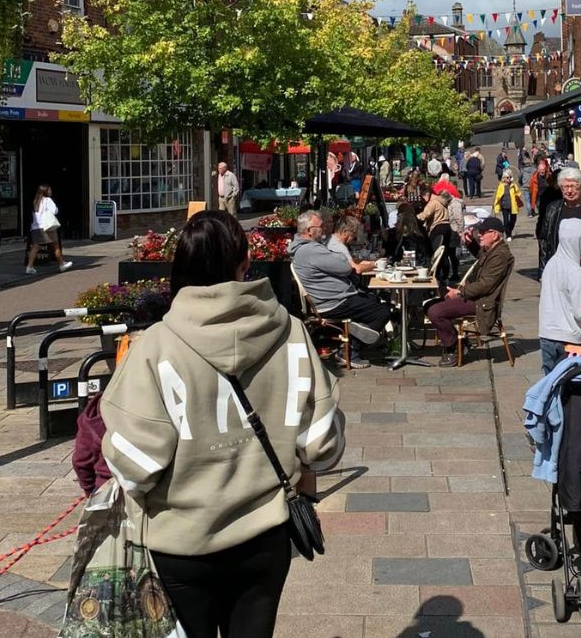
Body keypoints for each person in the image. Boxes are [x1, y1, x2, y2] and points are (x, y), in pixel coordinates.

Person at [101, 210, 345, 637]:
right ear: (244, 265)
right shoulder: (290, 333)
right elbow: (323, 443)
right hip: (265, 534)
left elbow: (135, 463)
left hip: (180, 539)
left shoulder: (157, 345)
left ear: (179, 270)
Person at [289, 210, 390, 370]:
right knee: (382, 311)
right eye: (320, 226)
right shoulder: (311, 250)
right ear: (309, 231)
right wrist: (342, 259)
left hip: (333, 299)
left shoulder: (305, 249)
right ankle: (350, 352)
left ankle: (357, 336)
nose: (324, 229)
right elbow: (345, 267)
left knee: (373, 301)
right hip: (334, 303)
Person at [427, 217, 514, 367]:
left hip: (483, 302)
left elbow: (485, 285)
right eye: (479, 232)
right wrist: (471, 243)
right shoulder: (495, 250)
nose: (479, 234)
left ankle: (454, 347)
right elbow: (483, 258)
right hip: (477, 297)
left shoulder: (500, 255)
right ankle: (459, 342)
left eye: (483, 232)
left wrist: (460, 293)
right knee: (430, 305)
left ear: (495, 235)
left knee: (435, 311)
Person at [538, 220, 581, 374]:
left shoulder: (551, 263)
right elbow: (580, 313)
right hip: (568, 337)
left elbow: (559, 296)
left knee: (550, 380)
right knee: (567, 381)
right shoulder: (575, 271)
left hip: (547, 333)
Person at [24, 184, 72, 275]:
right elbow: (54, 211)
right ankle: (62, 264)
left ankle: (29, 266)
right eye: (49, 190)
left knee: (35, 246)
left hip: (36, 226)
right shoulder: (48, 200)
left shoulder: (36, 201)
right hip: (47, 226)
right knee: (55, 244)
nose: (51, 191)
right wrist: (56, 208)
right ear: (45, 191)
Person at [492, 169, 522, 242]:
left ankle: (509, 230)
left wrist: (517, 194)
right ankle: (508, 234)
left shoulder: (513, 185)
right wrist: (495, 205)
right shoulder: (501, 186)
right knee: (506, 221)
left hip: (513, 205)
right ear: (504, 178)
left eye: (510, 177)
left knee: (513, 220)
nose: (508, 179)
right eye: (507, 177)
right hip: (504, 205)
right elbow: (498, 196)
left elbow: (518, 193)